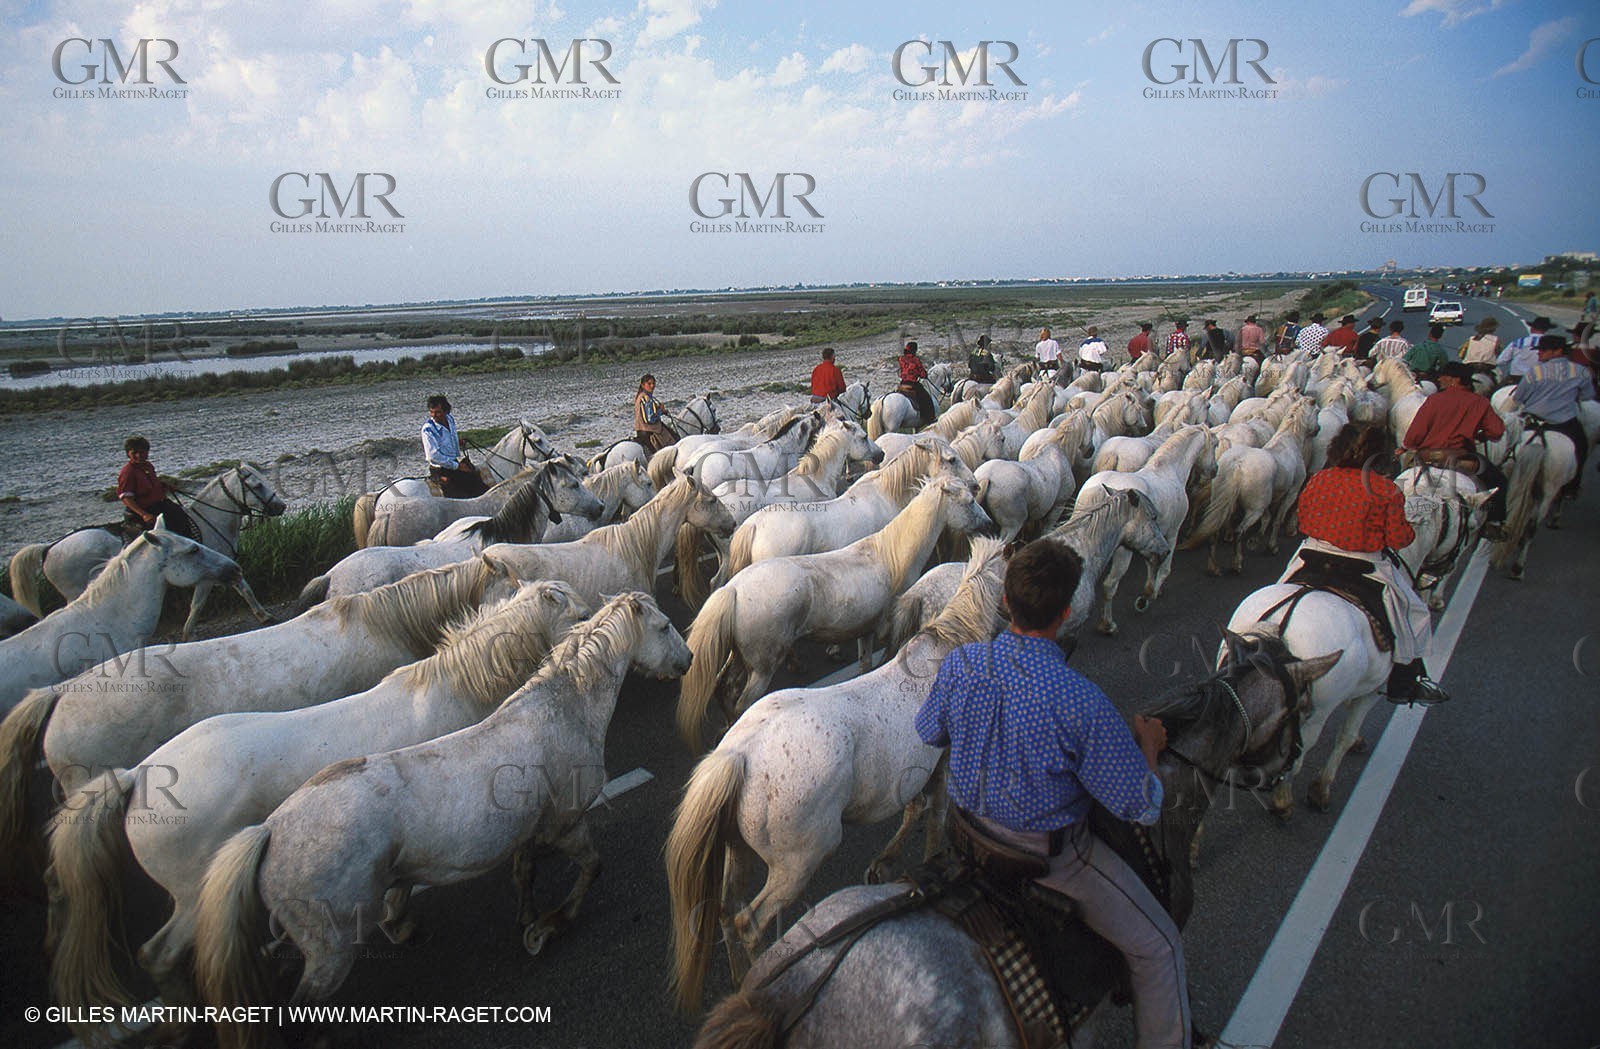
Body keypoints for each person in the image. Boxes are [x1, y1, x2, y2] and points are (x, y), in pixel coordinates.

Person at [915, 540, 1191, 1049]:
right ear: (1064, 614)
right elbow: (1143, 806)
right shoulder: (1080, 699)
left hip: (966, 834)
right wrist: (1148, 748)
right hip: (1047, 861)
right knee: (1161, 948)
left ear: (1004, 603)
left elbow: (928, 731)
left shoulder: (961, 666)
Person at [1290, 424, 1449, 706]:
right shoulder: (1386, 489)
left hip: (1312, 552)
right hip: (1364, 562)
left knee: (1277, 593)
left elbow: (1303, 518)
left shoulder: (1319, 478)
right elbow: (1399, 539)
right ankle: (1405, 681)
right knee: (1416, 613)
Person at [1401, 361, 1509, 539]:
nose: (1439, 379)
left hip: (1426, 457)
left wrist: (1406, 446)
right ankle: (1494, 524)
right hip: (1460, 461)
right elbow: (1497, 431)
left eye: (1444, 376)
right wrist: (1481, 434)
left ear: (1455, 379)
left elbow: (1413, 437)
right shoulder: (1480, 402)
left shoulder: (1434, 399)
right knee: (1499, 482)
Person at [1513, 335, 1591, 497]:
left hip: (1532, 421)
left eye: (1543, 350)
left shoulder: (1534, 371)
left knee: (1508, 445)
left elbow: (1518, 398)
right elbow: (1587, 396)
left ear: (1558, 351)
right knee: (1581, 447)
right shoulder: (1580, 371)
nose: (1539, 353)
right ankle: (1571, 487)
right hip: (1564, 424)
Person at [117, 436, 198, 542]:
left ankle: (192, 541)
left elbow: (150, 484)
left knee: (181, 514)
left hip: (158, 505)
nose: (139, 456)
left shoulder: (148, 466)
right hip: (143, 510)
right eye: (134, 453)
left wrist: (163, 485)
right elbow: (126, 498)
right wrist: (144, 515)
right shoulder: (128, 472)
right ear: (128, 454)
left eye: (142, 452)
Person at [422, 395, 489, 498]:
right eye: (431, 412)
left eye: (438, 412)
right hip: (440, 469)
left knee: (475, 473)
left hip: (453, 464)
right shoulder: (428, 430)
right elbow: (433, 456)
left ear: (445, 411)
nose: (434, 415)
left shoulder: (450, 419)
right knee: (474, 485)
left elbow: (448, 439)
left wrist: (457, 443)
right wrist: (457, 466)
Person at [1496, 317, 1552, 386]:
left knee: (1494, 392)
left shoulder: (1517, 342)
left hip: (1516, 378)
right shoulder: (1549, 345)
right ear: (1546, 330)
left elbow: (1501, 361)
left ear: (1531, 329)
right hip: (1537, 378)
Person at [633, 374, 678, 453]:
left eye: (653, 383)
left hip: (640, 430)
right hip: (649, 429)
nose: (652, 386)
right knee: (674, 440)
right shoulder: (646, 398)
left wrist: (658, 410)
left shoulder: (640, 396)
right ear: (643, 385)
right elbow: (650, 419)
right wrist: (660, 411)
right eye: (649, 384)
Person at [898, 341, 937, 426]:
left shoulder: (901, 359)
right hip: (912, 385)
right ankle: (930, 418)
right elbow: (922, 374)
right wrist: (925, 375)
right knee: (927, 398)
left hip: (902, 384)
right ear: (914, 350)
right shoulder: (915, 360)